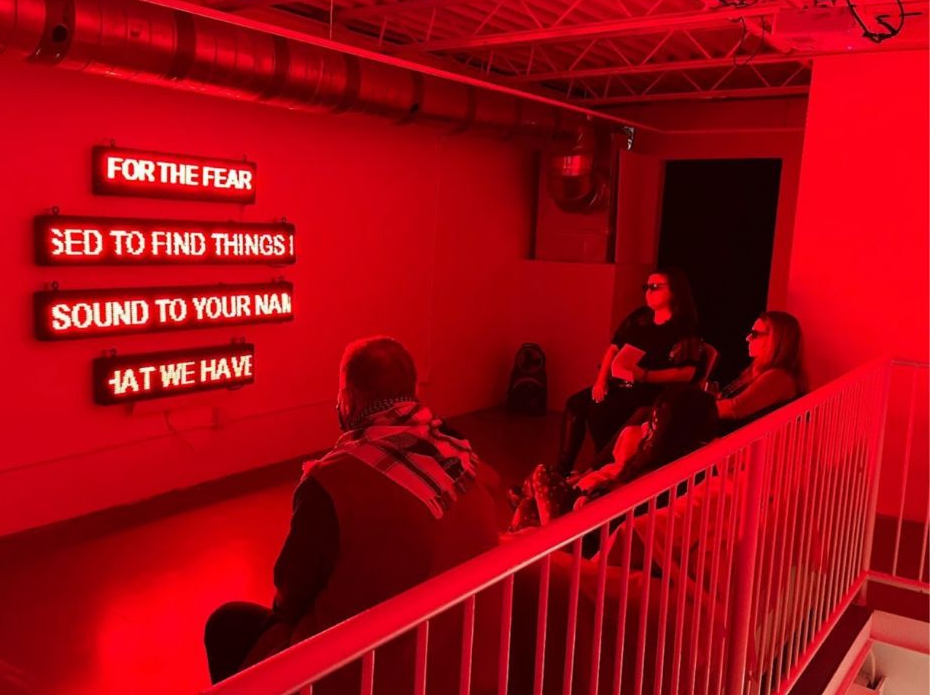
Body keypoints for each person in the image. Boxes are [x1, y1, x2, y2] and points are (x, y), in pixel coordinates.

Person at [204, 337, 501, 692]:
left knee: (227, 625)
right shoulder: (464, 457)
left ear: (351, 399)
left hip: (370, 670)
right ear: (412, 391)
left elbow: (290, 594)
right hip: (459, 664)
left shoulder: (331, 481)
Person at [556, 268, 703, 476]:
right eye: (647, 287)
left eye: (655, 287)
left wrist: (644, 375)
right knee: (575, 404)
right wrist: (601, 381)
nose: (649, 292)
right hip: (619, 383)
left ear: (674, 291)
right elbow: (614, 348)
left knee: (602, 411)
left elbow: (687, 373)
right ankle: (563, 469)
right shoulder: (640, 318)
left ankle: (601, 468)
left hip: (650, 390)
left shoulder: (684, 327)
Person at [515, 386, 719, 528]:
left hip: (589, 526)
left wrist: (588, 498)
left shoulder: (666, 469)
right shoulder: (658, 454)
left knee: (541, 475)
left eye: (659, 420)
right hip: (591, 510)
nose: (653, 422)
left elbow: (625, 502)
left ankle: (545, 541)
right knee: (529, 503)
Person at [714, 311, 804, 428]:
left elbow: (735, 408)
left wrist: (696, 406)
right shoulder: (757, 371)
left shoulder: (779, 377)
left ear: (776, 339)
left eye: (755, 334)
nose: (748, 338)